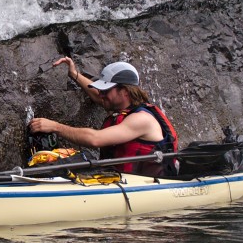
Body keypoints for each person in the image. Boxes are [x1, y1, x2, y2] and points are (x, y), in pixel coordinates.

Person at [27, 58, 179, 177]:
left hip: (147, 184)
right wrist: (75, 74)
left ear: (124, 91)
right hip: (118, 177)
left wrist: (55, 127)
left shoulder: (141, 120)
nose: (101, 95)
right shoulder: (121, 105)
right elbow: (97, 96)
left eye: (106, 90)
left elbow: (96, 139)